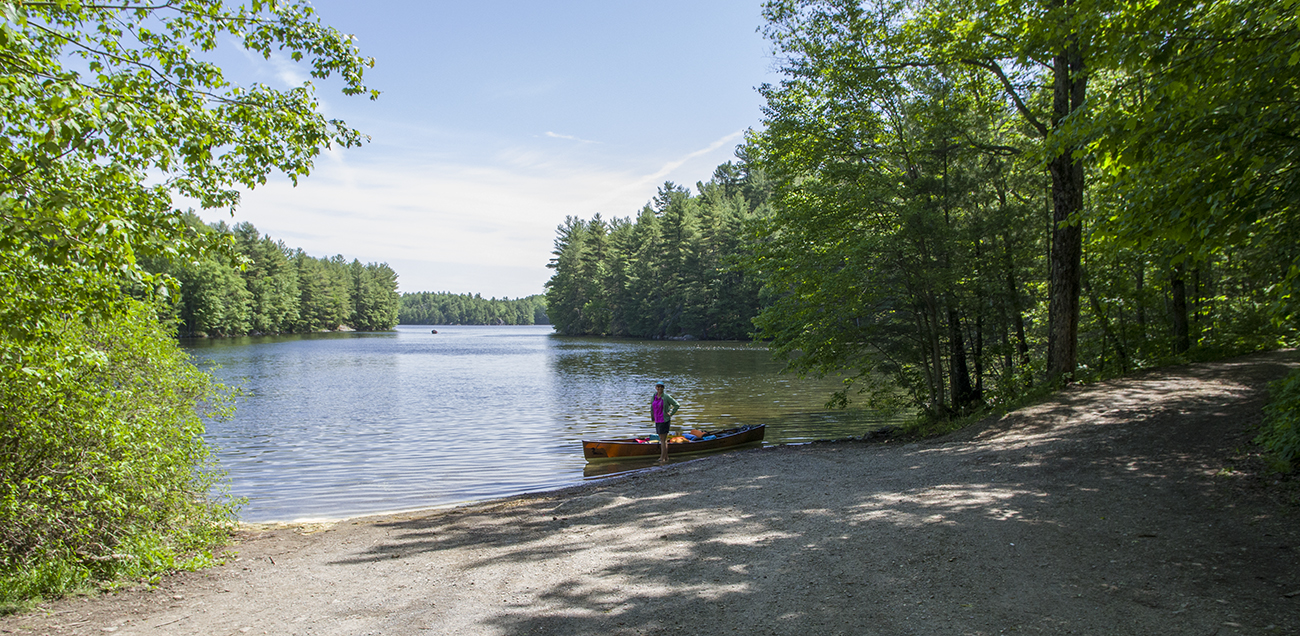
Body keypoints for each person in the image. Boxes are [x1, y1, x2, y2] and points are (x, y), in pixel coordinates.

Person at [650, 382, 680, 462]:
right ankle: (666, 458)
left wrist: (671, 413)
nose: (659, 388)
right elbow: (652, 407)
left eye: (661, 387)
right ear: (656, 387)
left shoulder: (666, 397)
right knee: (662, 439)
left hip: (664, 420)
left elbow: (677, 405)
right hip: (657, 419)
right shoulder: (654, 396)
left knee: (663, 440)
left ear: (663, 388)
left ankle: (662, 458)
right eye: (658, 387)